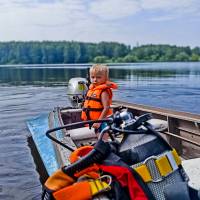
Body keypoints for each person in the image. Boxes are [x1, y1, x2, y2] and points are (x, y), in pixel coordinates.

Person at [81, 64, 118, 134]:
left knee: (103, 137)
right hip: (93, 120)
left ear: (105, 78)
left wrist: (99, 122)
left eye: (98, 77)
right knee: (97, 135)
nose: (95, 79)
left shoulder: (103, 92)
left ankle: (105, 143)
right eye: (92, 77)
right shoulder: (92, 89)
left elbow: (106, 108)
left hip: (102, 121)